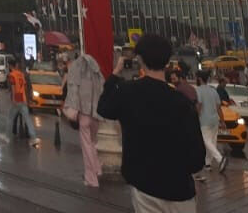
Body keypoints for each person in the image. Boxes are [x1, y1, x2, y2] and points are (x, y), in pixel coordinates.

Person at [96, 34, 206, 212]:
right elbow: (197, 158)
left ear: (140, 59)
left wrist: (115, 73)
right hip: (180, 190)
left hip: (145, 187)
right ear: (167, 62)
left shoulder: (127, 92)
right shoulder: (182, 102)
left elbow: (103, 108)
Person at [63, 48, 106, 188]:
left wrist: (73, 110)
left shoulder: (76, 71)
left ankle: (91, 178)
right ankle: (98, 169)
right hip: (96, 114)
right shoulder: (98, 74)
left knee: (86, 147)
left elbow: (73, 92)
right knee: (93, 143)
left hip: (84, 114)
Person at [193, 68, 226, 179]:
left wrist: (195, 117)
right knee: (212, 142)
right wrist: (222, 121)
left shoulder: (198, 90)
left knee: (206, 141)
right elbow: (219, 107)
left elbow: (199, 106)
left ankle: (220, 159)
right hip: (214, 120)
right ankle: (208, 164)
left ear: (199, 79)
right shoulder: (213, 91)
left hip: (204, 120)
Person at [8, 59, 39, 145]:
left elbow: (13, 87)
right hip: (23, 96)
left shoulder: (16, 74)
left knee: (16, 114)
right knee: (25, 115)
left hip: (19, 96)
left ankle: (14, 130)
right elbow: (28, 87)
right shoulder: (24, 75)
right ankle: (27, 132)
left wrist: (13, 97)